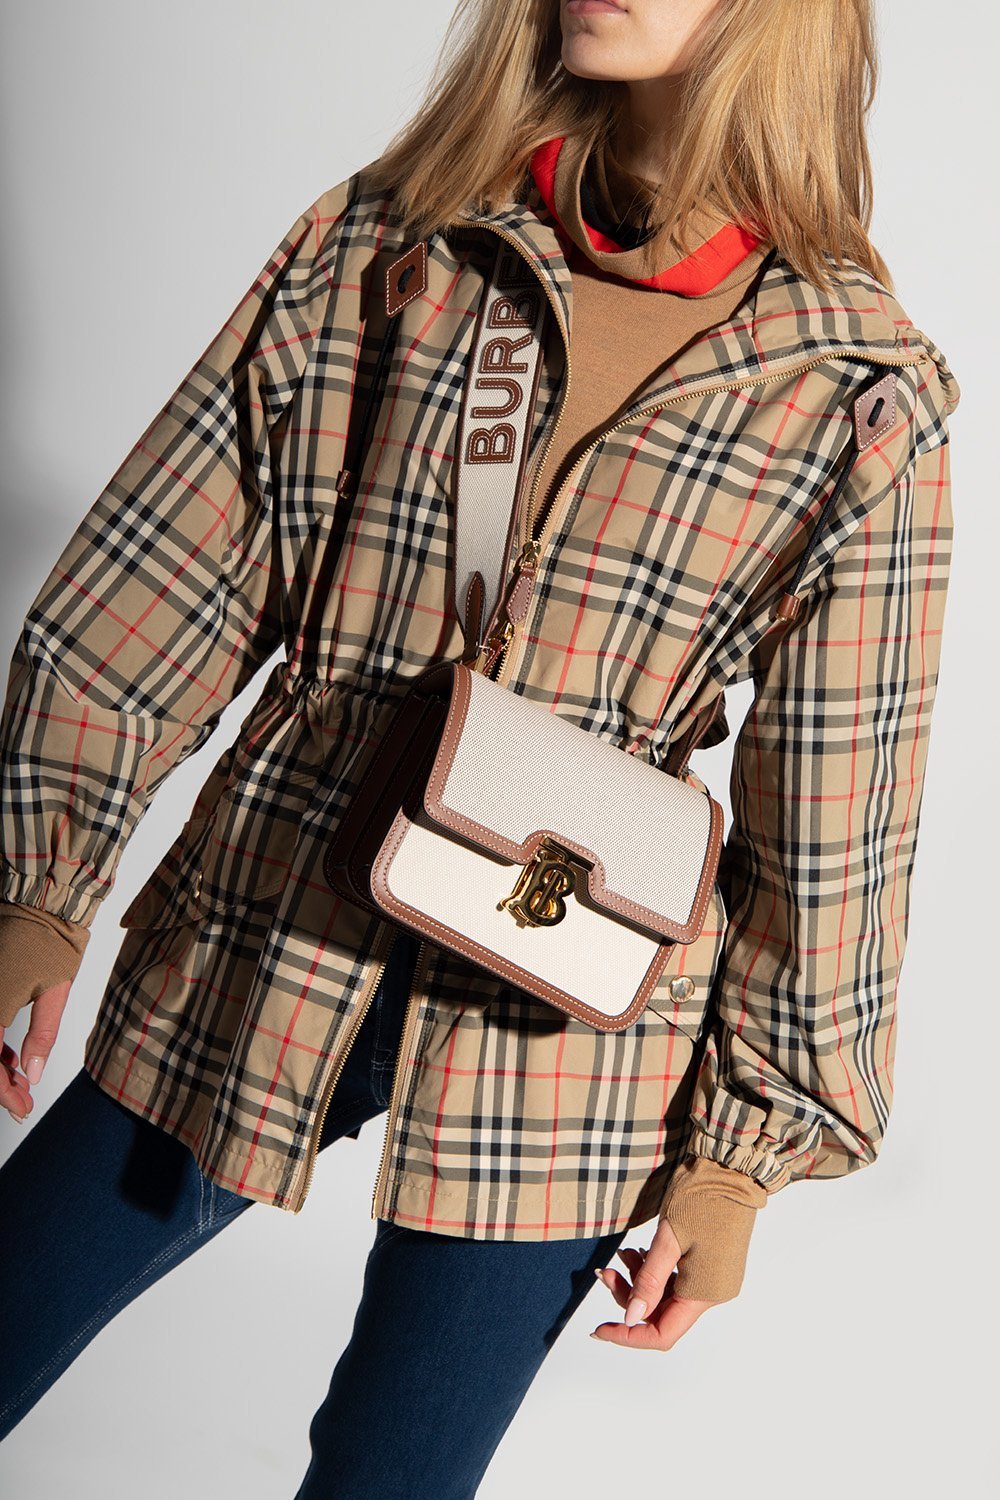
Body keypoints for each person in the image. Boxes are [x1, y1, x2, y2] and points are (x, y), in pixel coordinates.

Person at [0, 0, 958, 1490]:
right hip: (277, 912)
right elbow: (178, 568)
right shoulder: (401, 241)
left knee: (390, 1477)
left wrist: (741, 1159)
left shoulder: (856, 387)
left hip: (571, 1023)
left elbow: (841, 807)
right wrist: (36, 885)